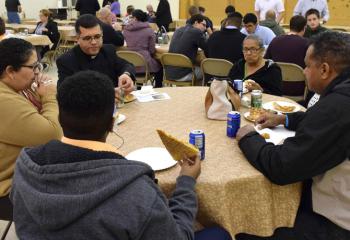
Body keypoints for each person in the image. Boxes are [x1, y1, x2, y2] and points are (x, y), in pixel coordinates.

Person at [10, 70, 233, 240]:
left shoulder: (25, 165)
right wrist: (185, 182)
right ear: (111, 123)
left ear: (60, 118)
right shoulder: (134, 189)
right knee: (221, 234)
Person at [235, 31, 350, 240]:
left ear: (324, 70)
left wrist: (248, 137)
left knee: (242, 230)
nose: (304, 72)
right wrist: (283, 119)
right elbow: (320, 121)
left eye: (307, 66)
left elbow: (281, 167)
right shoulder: (341, 94)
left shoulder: (337, 105)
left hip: (335, 222)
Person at [0, 38, 62, 221]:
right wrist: (50, 96)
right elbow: (52, 135)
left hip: (25, 172)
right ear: (10, 71)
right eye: (34, 67)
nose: (37, 73)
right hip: (9, 190)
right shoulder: (4, 100)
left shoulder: (15, 89)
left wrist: (43, 95)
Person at [56, 14, 135, 99]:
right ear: (77, 39)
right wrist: (107, 94)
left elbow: (127, 65)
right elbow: (64, 93)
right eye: (87, 38)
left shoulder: (108, 50)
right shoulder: (66, 60)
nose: (94, 42)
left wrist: (126, 75)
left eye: (97, 37)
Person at [123, 10, 163, 87]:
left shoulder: (126, 30)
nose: (130, 19)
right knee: (160, 66)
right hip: (145, 65)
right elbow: (152, 50)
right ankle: (158, 88)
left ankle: (139, 87)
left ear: (135, 18)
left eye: (131, 17)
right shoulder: (149, 30)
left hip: (130, 65)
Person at [167, 14, 208, 82]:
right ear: (196, 22)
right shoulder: (196, 32)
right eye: (203, 25)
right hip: (182, 75)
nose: (205, 28)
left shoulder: (178, 30)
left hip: (168, 74)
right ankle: (198, 92)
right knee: (206, 71)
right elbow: (207, 48)